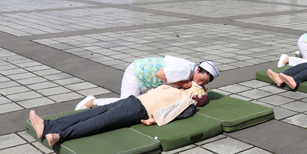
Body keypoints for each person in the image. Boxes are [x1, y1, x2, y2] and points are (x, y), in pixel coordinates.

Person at [30, 83, 209, 147]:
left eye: (199, 87)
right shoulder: (177, 89)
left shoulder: (189, 103)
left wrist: (154, 119)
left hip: (139, 110)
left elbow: (175, 113)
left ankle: (59, 136)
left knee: (101, 120)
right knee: (94, 112)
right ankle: (48, 125)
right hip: (133, 101)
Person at [75, 58, 219, 110]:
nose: (199, 83)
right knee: (127, 102)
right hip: (137, 72)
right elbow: (159, 74)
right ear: (198, 69)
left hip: (148, 79)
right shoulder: (186, 69)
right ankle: (92, 102)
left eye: (203, 83)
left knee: (142, 102)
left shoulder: (193, 73)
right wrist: (183, 83)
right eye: (201, 79)